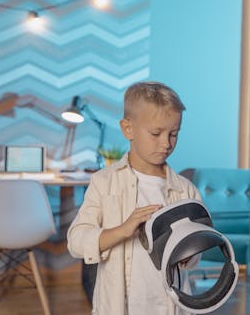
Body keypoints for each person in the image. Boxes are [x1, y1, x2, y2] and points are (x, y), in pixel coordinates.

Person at [67, 81, 202, 315]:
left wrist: (188, 255)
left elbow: (192, 258)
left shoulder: (186, 191)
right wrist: (121, 230)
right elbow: (76, 241)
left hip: (171, 307)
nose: (166, 143)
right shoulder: (104, 183)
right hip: (120, 307)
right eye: (156, 133)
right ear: (128, 129)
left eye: (174, 134)